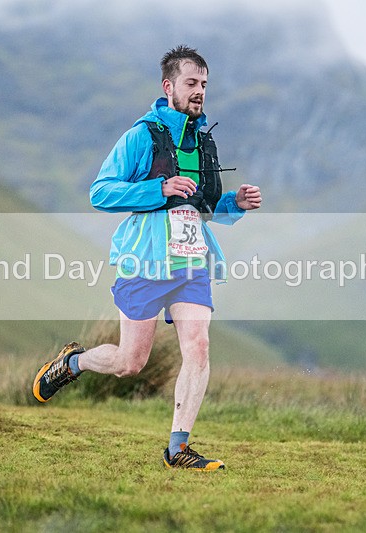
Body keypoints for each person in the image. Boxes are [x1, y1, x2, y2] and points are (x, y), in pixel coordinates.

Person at [31, 45, 262, 471]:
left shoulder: (203, 141)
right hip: (145, 261)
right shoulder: (142, 136)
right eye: (191, 84)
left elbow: (204, 206)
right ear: (168, 86)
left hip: (191, 261)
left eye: (204, 85)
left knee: (199, 346)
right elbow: (101, 192)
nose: (199, 93)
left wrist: (236, 203)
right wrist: (159, 190)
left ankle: (178, 448)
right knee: (129, 363)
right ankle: (73, 362)